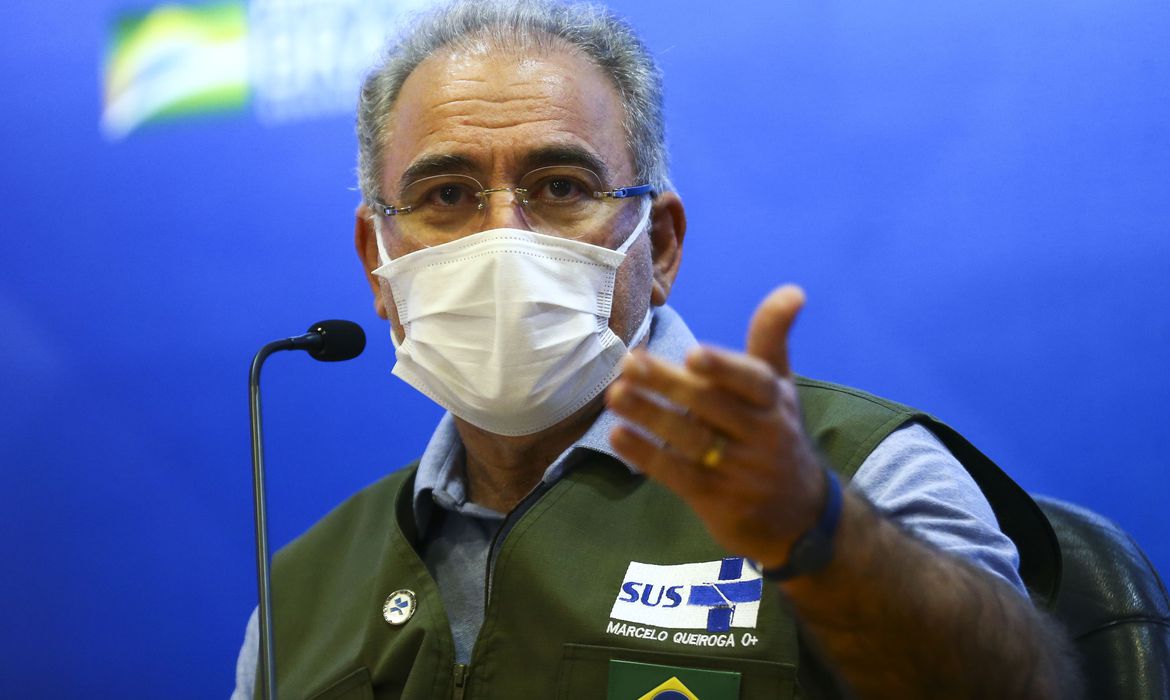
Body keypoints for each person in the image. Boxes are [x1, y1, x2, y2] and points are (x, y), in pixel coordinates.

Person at [233, 1, 1079, 697]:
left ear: (660, 245)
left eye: (560, 187)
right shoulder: (300, 597)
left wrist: (818, 534)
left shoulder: (853, 472)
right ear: (377, 264)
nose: (502, 238)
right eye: (446, 195)